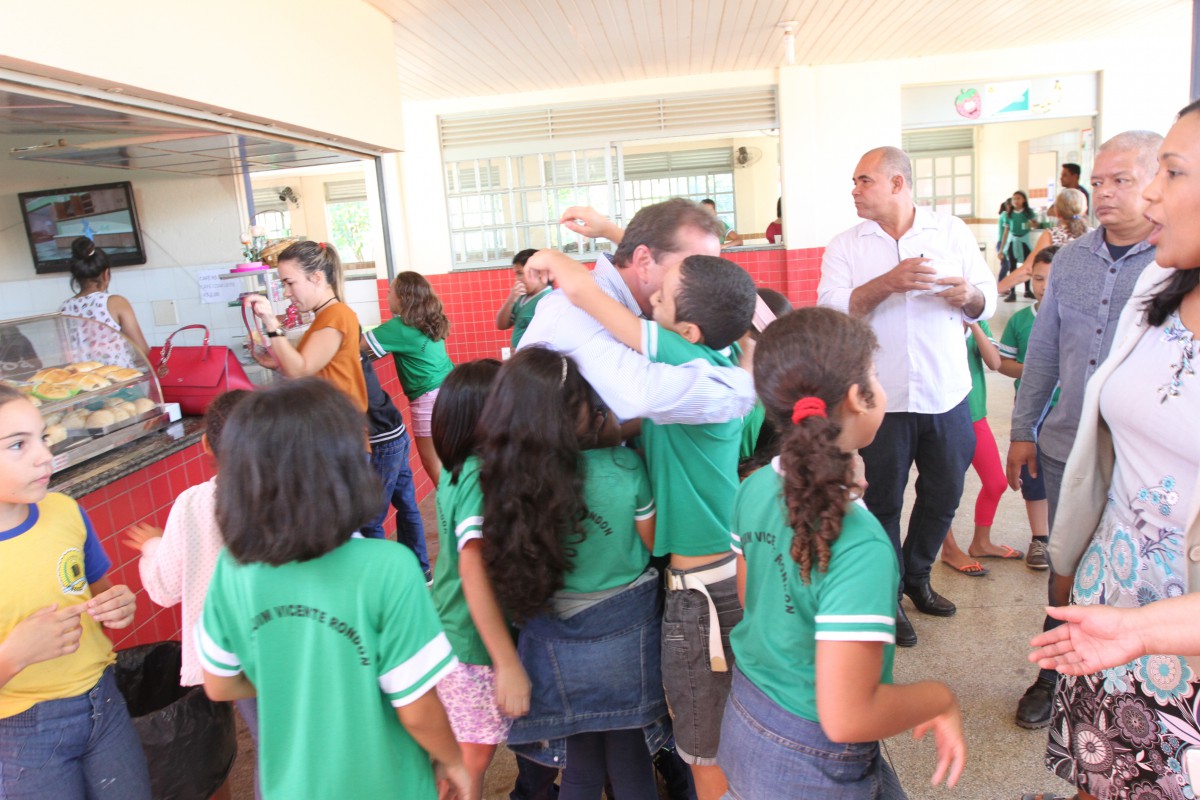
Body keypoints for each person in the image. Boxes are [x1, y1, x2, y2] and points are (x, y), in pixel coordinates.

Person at [1020, 103, 1200, 800]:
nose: (1149, 194)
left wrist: (1147, 629)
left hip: (1178, 618)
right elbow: (1054, 362)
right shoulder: (1160, 282)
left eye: (1171, 173)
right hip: (1111, 592)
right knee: (1100, 770)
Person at [532, 248, 756, 800]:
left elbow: (590, 298)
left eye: (662, 296)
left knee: (702, 745)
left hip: (700, 592)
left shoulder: (684, 357)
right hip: (724, 568)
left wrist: (556, 260)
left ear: (688, 330)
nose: (649, 295)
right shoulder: (721, 362)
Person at [718, 307, 966, 798]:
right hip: (813, 760)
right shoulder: (861, 544)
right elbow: (847, 717)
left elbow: (753, 599)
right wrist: (939, 698)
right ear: (857, 397)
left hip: (747, 715)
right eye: (875, 374)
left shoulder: (753, 488)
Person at [196, 379, 468, 800]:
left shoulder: (232, 569)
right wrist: (452, 759)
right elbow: (416, 708)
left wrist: (299, 676)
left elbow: (219, 684)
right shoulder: (388, 568)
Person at [1004, 130, 1162, 730]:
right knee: (1065, 563)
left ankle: (1133, 682)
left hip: (1143, 457)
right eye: (1098, 182)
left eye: (1122, 180)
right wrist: (1023, 429)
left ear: (1157, 181)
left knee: (1140, 573)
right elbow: (1043, 351)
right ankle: (1054, 674)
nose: (1105, 192)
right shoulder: (1070, 260)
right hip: (1067, 443)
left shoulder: (1174, 262)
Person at [817, 145, 996, 648]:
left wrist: (970, 296)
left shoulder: (950, 231)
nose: (855, 190)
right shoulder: (847, 246)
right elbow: (832, 311)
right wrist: (887, 283)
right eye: (855, 182)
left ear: (898, 183)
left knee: (944, 495)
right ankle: (888, 594)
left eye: (864, 180)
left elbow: (986, 298)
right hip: (881, 402)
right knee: (882, 502)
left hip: (947, 394)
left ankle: (917, 577)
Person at [478, 348, 664, 800]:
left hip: (554, 645)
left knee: (580, 771)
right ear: (585, 415)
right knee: (632, 764)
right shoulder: (626, 467)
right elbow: (653, 544)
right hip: (627, 642)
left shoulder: (508, 485)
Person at [0, 384, 149, 799]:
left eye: (43, 437)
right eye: (17, 444)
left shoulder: (65, 511)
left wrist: (119, 605)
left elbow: (100, 595)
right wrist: (13, 656)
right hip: (20, 733)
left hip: (104, 702)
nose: (44, 455)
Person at [122, 390, 258, 799]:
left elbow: (164, 588)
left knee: (272, 744)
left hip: (230, 655)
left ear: (205, 445)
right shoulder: (292, 494)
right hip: (287, 639)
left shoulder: (193, 503)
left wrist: (153, 547)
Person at [520, 200, 756, 429]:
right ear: (643, 261)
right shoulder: (574, 312)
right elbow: (647, 396)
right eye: (693, 268)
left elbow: (650, 258)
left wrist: (611, 230)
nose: (708, 283)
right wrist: (747, 380)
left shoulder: (664, 309)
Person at [427, 359, 528, 800]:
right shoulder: (476, 477)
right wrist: (506, 662)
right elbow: (473, 570)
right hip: (471, 645)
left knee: (461, 757)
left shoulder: (458, 471)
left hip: (455, 634)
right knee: (469, 760)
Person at [246, 241, 366, 413]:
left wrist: (271, 323)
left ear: (317, 278)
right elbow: (316, 370)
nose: (286, 293)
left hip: (338, 422)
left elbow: (300, 372)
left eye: (290, 283)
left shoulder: (336, 315)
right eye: (283, 285)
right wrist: (279, 364)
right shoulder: (326, 316)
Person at [998, 246, 1060, 578]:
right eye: (1038, 279)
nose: (1044, 286)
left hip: (1070, 411)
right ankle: (1040, 538)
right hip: (1033, 413)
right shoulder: (1021, 321)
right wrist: (1037, 372)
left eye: (1052, 278)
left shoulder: (1079, 318)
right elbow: (1003, 363)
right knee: (1034, 475)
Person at [938, 319, 1017, 577]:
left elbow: (994, 363)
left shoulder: (977, 321)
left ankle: (981, 543)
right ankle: (949, 549)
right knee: (944, 488)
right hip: (944, 415)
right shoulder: (934, 320)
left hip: (975, 414)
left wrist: (973, 324)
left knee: (996, 482)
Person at [364, 271, 455, 486]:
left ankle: (452, 507)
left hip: (428, 400)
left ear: (403, 297)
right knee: (451, 460)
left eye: (390, 292)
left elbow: (350, 346)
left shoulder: (399, 327)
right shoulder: (429, 318)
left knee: (433, 465)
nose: (387, 296)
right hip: (451, 389)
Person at [359, 352, 429, 581]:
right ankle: (420, 570)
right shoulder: (357, 356)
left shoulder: (343, 360)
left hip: (381, 442)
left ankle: (382, 582)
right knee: (407, 505)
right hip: (397, 433)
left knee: (371, 520)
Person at [59, 237, 150, 362]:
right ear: (106, 274)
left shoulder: (64, 308)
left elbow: (65, 355)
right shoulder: (115, 303)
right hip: (118, 374)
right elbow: (142, 350)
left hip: (82, 374)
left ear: (76, 277)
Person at [495, 249, 552, 349]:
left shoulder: (548, 299)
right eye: (516, 274)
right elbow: (501, 325)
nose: (517, 279)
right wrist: (511, 299)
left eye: (520, 273)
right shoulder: (521, 297)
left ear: (539, 272)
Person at [999, 191, 1037, 302]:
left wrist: (1032, 224)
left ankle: (1027, 290)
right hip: (1013, 242)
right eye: (1014, 199)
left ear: (1024, 200)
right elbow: (1006, 231)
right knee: (1012, 266)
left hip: (1024, 241)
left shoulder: (1028, 213)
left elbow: (1035, 224)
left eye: (1018, 198)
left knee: (1027, 265)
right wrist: (1002, 249)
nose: (1016, 201)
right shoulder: (1009, 214)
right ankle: (1012, 292)